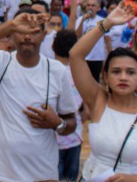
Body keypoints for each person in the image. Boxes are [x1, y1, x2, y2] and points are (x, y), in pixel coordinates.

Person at [0, 8, 77, 182]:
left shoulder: (57, 71)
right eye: (22, 30)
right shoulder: (0, 62)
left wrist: (57, 123)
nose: (28, 36)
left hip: (42, 175)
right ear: (11, 35)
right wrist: (11, 25)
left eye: (35, 30)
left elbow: (71, 122)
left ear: (44, 35)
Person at [70, 3, 137, 180]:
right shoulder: (97, 100)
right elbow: (75, 55)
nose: (123, 77)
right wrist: (107, 23)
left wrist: (131, 179)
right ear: (105, 76)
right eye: (116, 71)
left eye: (130, 72)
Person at [52, 29, 83, 181]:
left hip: (51, 139)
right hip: (75, 136)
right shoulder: (81, 73)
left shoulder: (47, 71)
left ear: (52, 47)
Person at [76, 0, 109, 81]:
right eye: (88, 5)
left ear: (98, 8)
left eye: (93, 5)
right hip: (83, 56)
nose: (90, 7)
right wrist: (82, 20)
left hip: (97, 57)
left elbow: (107, 39)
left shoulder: (102, 21)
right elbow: (77, 36)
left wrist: (108, 56)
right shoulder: (80, 19)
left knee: (95, 80)